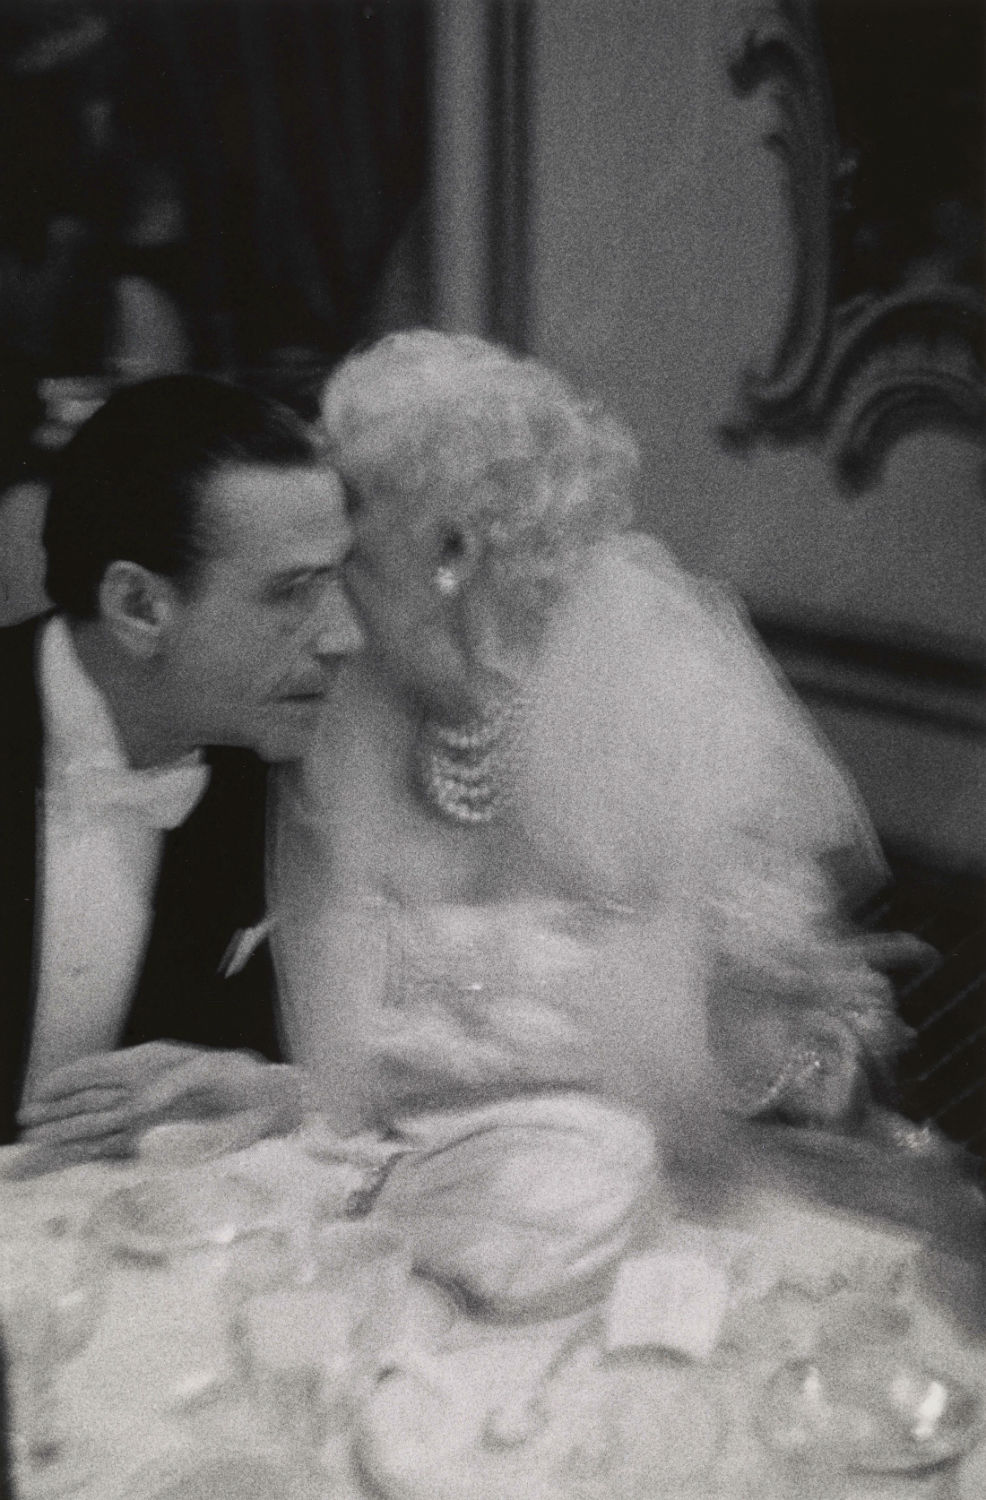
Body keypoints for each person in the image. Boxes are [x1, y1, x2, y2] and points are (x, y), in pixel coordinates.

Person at [271, 331, 959, 1313]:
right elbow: (337, 1059)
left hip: (647, 1248)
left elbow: (794, 1069)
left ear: (453, 549)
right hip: (407, 1242)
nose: (321, 566)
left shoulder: (659, 707)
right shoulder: (347, 716)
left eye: (351, 526)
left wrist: (768, 1028)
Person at [0, 372, 364, 1158]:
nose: (342, 637)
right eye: (292, 592)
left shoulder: (272, 770)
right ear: (138, 606)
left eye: (337, 580)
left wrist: (262, 1088)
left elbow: (300, 1051)